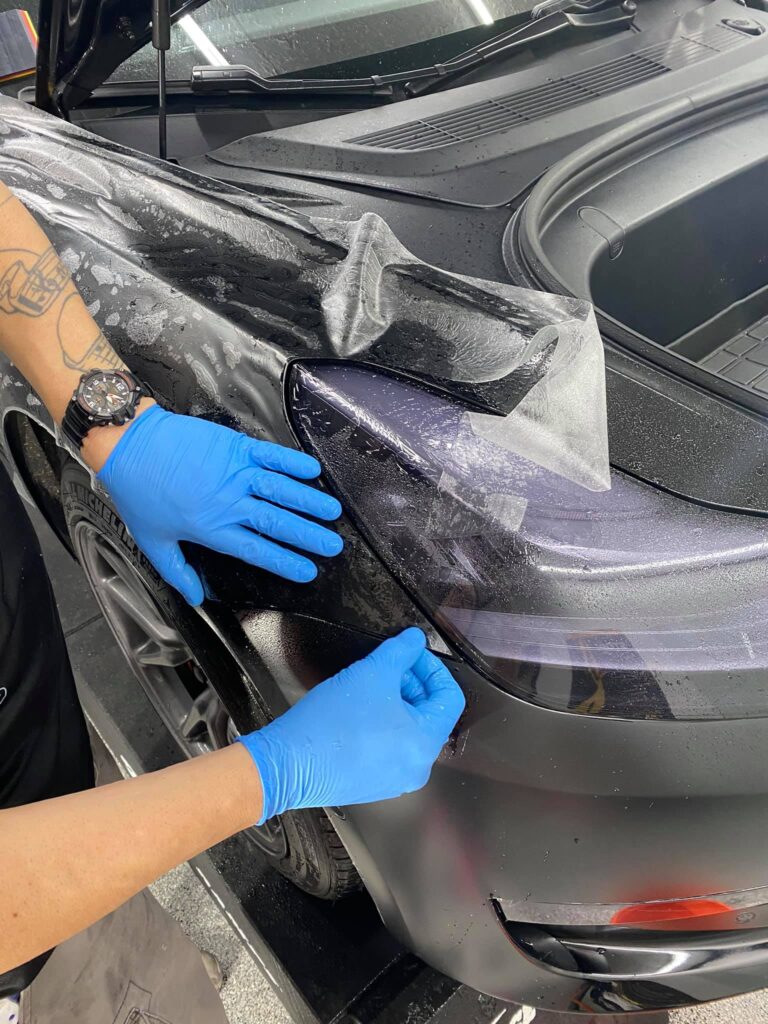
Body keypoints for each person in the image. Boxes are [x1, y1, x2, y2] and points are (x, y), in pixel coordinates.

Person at [0, 181, 465, 990]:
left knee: (129, 956)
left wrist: (113, 421)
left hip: (55, 789)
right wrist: (272, 772)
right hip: (24, 922)